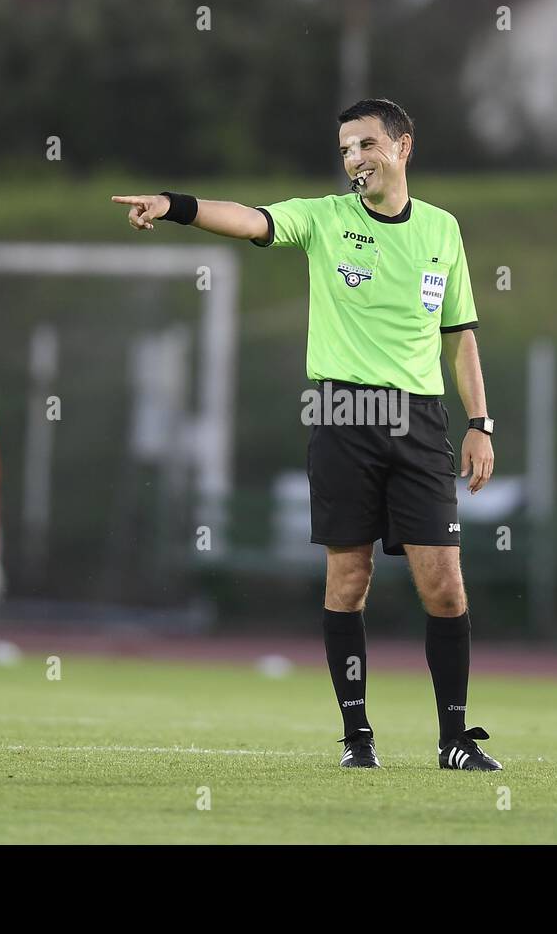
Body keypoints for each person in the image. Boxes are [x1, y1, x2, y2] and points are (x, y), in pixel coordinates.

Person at [112, 98, 501, 771]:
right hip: (343, 417)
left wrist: (480, 424)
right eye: (347, 149)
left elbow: (460, 337)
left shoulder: (443, 230)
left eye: (368, 145)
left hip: (420, 422)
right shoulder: (325, 219)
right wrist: (177, 205)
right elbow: (252, 219)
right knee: (348, 580)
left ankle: (455, 741)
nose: (356, 159)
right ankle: (358, 740)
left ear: (404, 147)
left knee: (444, 584)